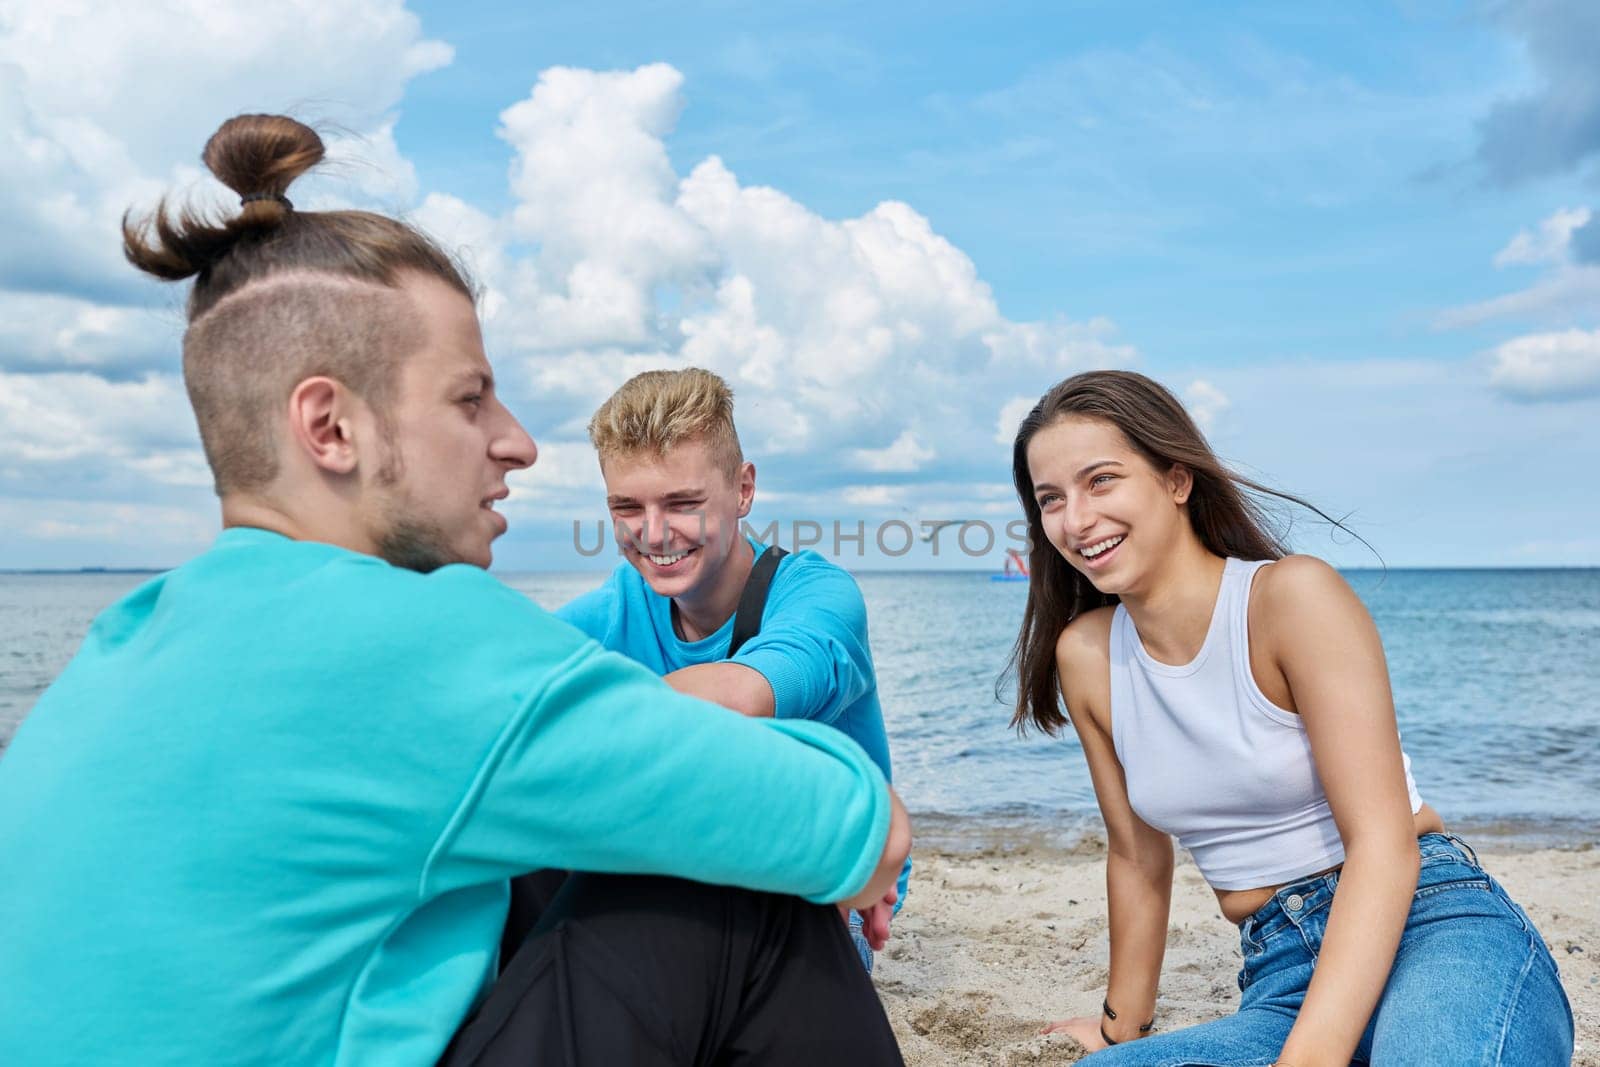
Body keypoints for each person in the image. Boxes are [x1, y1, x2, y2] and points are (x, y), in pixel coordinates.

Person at [0, 113, 910, 1067]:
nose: (517, 441)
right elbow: (859, 823)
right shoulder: (414, 632)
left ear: (743, 490)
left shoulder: (125, 637)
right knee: (735, 885)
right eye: (471, 398)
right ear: (331, 426)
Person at [1006, 370, 1574, 1065]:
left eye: (1101, 481)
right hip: (1283, 972)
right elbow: (1137, 855)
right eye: (1051, 499)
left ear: (1177, 480)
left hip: (1434, 927)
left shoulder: (1292, 599)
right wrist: (1120, 1028)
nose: (1076, 518)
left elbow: (1382, 843)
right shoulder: (1088, 654)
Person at [538, 367, 907, 974]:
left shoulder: (817, 595)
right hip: (680, 867)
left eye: (682, 504)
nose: (653, 534)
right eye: (627, 507)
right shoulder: (615, 608)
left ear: (743, 489)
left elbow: (741, 695)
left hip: (818, 893)